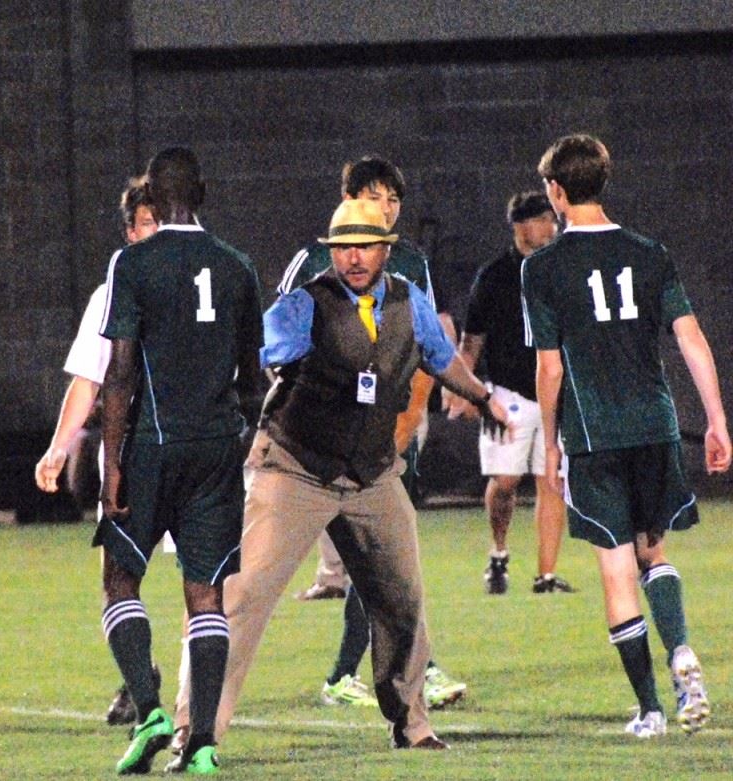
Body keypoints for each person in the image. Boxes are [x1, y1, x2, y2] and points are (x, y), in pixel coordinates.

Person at [173, 199, 509, 757]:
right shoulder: (306, 305)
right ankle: (196, 726)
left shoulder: (408, 300)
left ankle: (411, 724)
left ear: (386, 249)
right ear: (331, 252)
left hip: (373, 474)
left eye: (365, 246)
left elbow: (440, 356)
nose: (353, 257)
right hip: (296, 468)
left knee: (404, 599)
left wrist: (481, 396)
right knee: (241, 596)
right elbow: (255, 352)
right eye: (343, 247)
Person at [523, 134, 730, 738]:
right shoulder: (650, 252)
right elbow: (691, 338)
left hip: (597, 437)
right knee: (654, 553)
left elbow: (550, 368)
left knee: (616, 569)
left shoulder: (543, 267)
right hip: (655, 428)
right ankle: (683, 652)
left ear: (556, 192)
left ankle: (650, 710)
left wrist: (552, 441)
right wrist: (716, 420)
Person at [278, 155, 466, 711]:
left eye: (393, 200)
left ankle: (368, 672)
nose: (386, 208)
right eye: (375, 196)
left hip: (381, 439)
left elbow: (423, 350)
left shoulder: (408, 263)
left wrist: (400, 434)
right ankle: (398, 670)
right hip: (319, 445)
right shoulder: (315, 260)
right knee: (373, 562)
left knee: (383, 560)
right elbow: (281, 343)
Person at [97, 147, 263, 774]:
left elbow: (119, 372)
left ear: (154, 199)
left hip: (153, 447)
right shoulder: (239, 266)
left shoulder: (133, 262)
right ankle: (204, 748)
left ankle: (150, 710)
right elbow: (254, 378)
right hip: (218, 452)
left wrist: (113, 464)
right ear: (204, 192)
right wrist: (235, 443)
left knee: (120, 579)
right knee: (206, 595)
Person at [34, 178, 160, 727]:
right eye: (147, 225)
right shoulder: (111, 293)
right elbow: (88, 379)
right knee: (119, 579)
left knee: (212, 587)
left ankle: (189, 705)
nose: (156, 235)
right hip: (134, 457)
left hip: (191, 454)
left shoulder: (206, 277)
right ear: (130, 233)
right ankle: (144, 684)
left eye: (164, 222)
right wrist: (59, 447)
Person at [448, 191, 574, 595]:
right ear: (522, 226)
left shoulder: (560, 269)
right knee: (505, 481)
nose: (553, 228)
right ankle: (498, 553)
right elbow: (471, 340)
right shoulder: (496, 275)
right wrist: (465, 390)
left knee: (551, 480)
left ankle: (546, 575)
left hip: (556, 393)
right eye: (545, 220)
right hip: (509, 393)